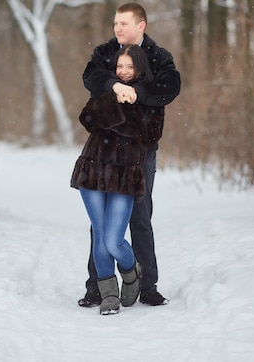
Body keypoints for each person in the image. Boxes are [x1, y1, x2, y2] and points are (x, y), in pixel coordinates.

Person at [78, 2, 181, 308]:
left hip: (142, 151)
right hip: (105, 149)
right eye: (115, 23)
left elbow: (170, 87)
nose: (118, 29)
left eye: (124, 23)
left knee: (140, 213)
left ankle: (147, 284)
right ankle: (97, 285)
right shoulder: (106, 52)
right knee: (101, 221)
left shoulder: (159, 57)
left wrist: (138, 94)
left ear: (141, 26)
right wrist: (113, 85)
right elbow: (90, 78)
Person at [71, 45, 165, 315]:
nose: (123, 72)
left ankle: (131, 270)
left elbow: (148, 136)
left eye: (129, 67)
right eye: (119, 67)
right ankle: (108, 293)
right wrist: (113, 100)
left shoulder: (150, 99)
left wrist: (127, 106)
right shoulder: (106, 90)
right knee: (100, 237)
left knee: (113, 241)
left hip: (125, 176)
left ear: (139, 69)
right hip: (93, 170)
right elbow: (87, 119)